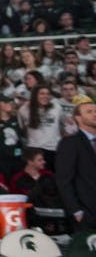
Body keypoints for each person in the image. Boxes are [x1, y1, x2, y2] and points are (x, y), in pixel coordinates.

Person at [55, 96, 96, 231]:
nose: (94, 114)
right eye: (89, 112)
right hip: (87, 213)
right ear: (78, 118)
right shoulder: (70, 143)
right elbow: (64, 180)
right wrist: (76, 211)